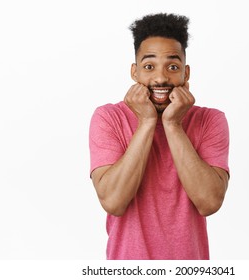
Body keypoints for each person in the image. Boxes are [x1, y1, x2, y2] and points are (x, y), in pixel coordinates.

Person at [89, 13, 230, 260]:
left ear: (186, 73)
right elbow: (113, 201)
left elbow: (209, 202)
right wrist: (146, 122)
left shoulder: (211, 120)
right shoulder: (108, 117)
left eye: (173, 67)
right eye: (149, 66)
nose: (161, 78)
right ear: (134, 72)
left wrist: (173, 125)